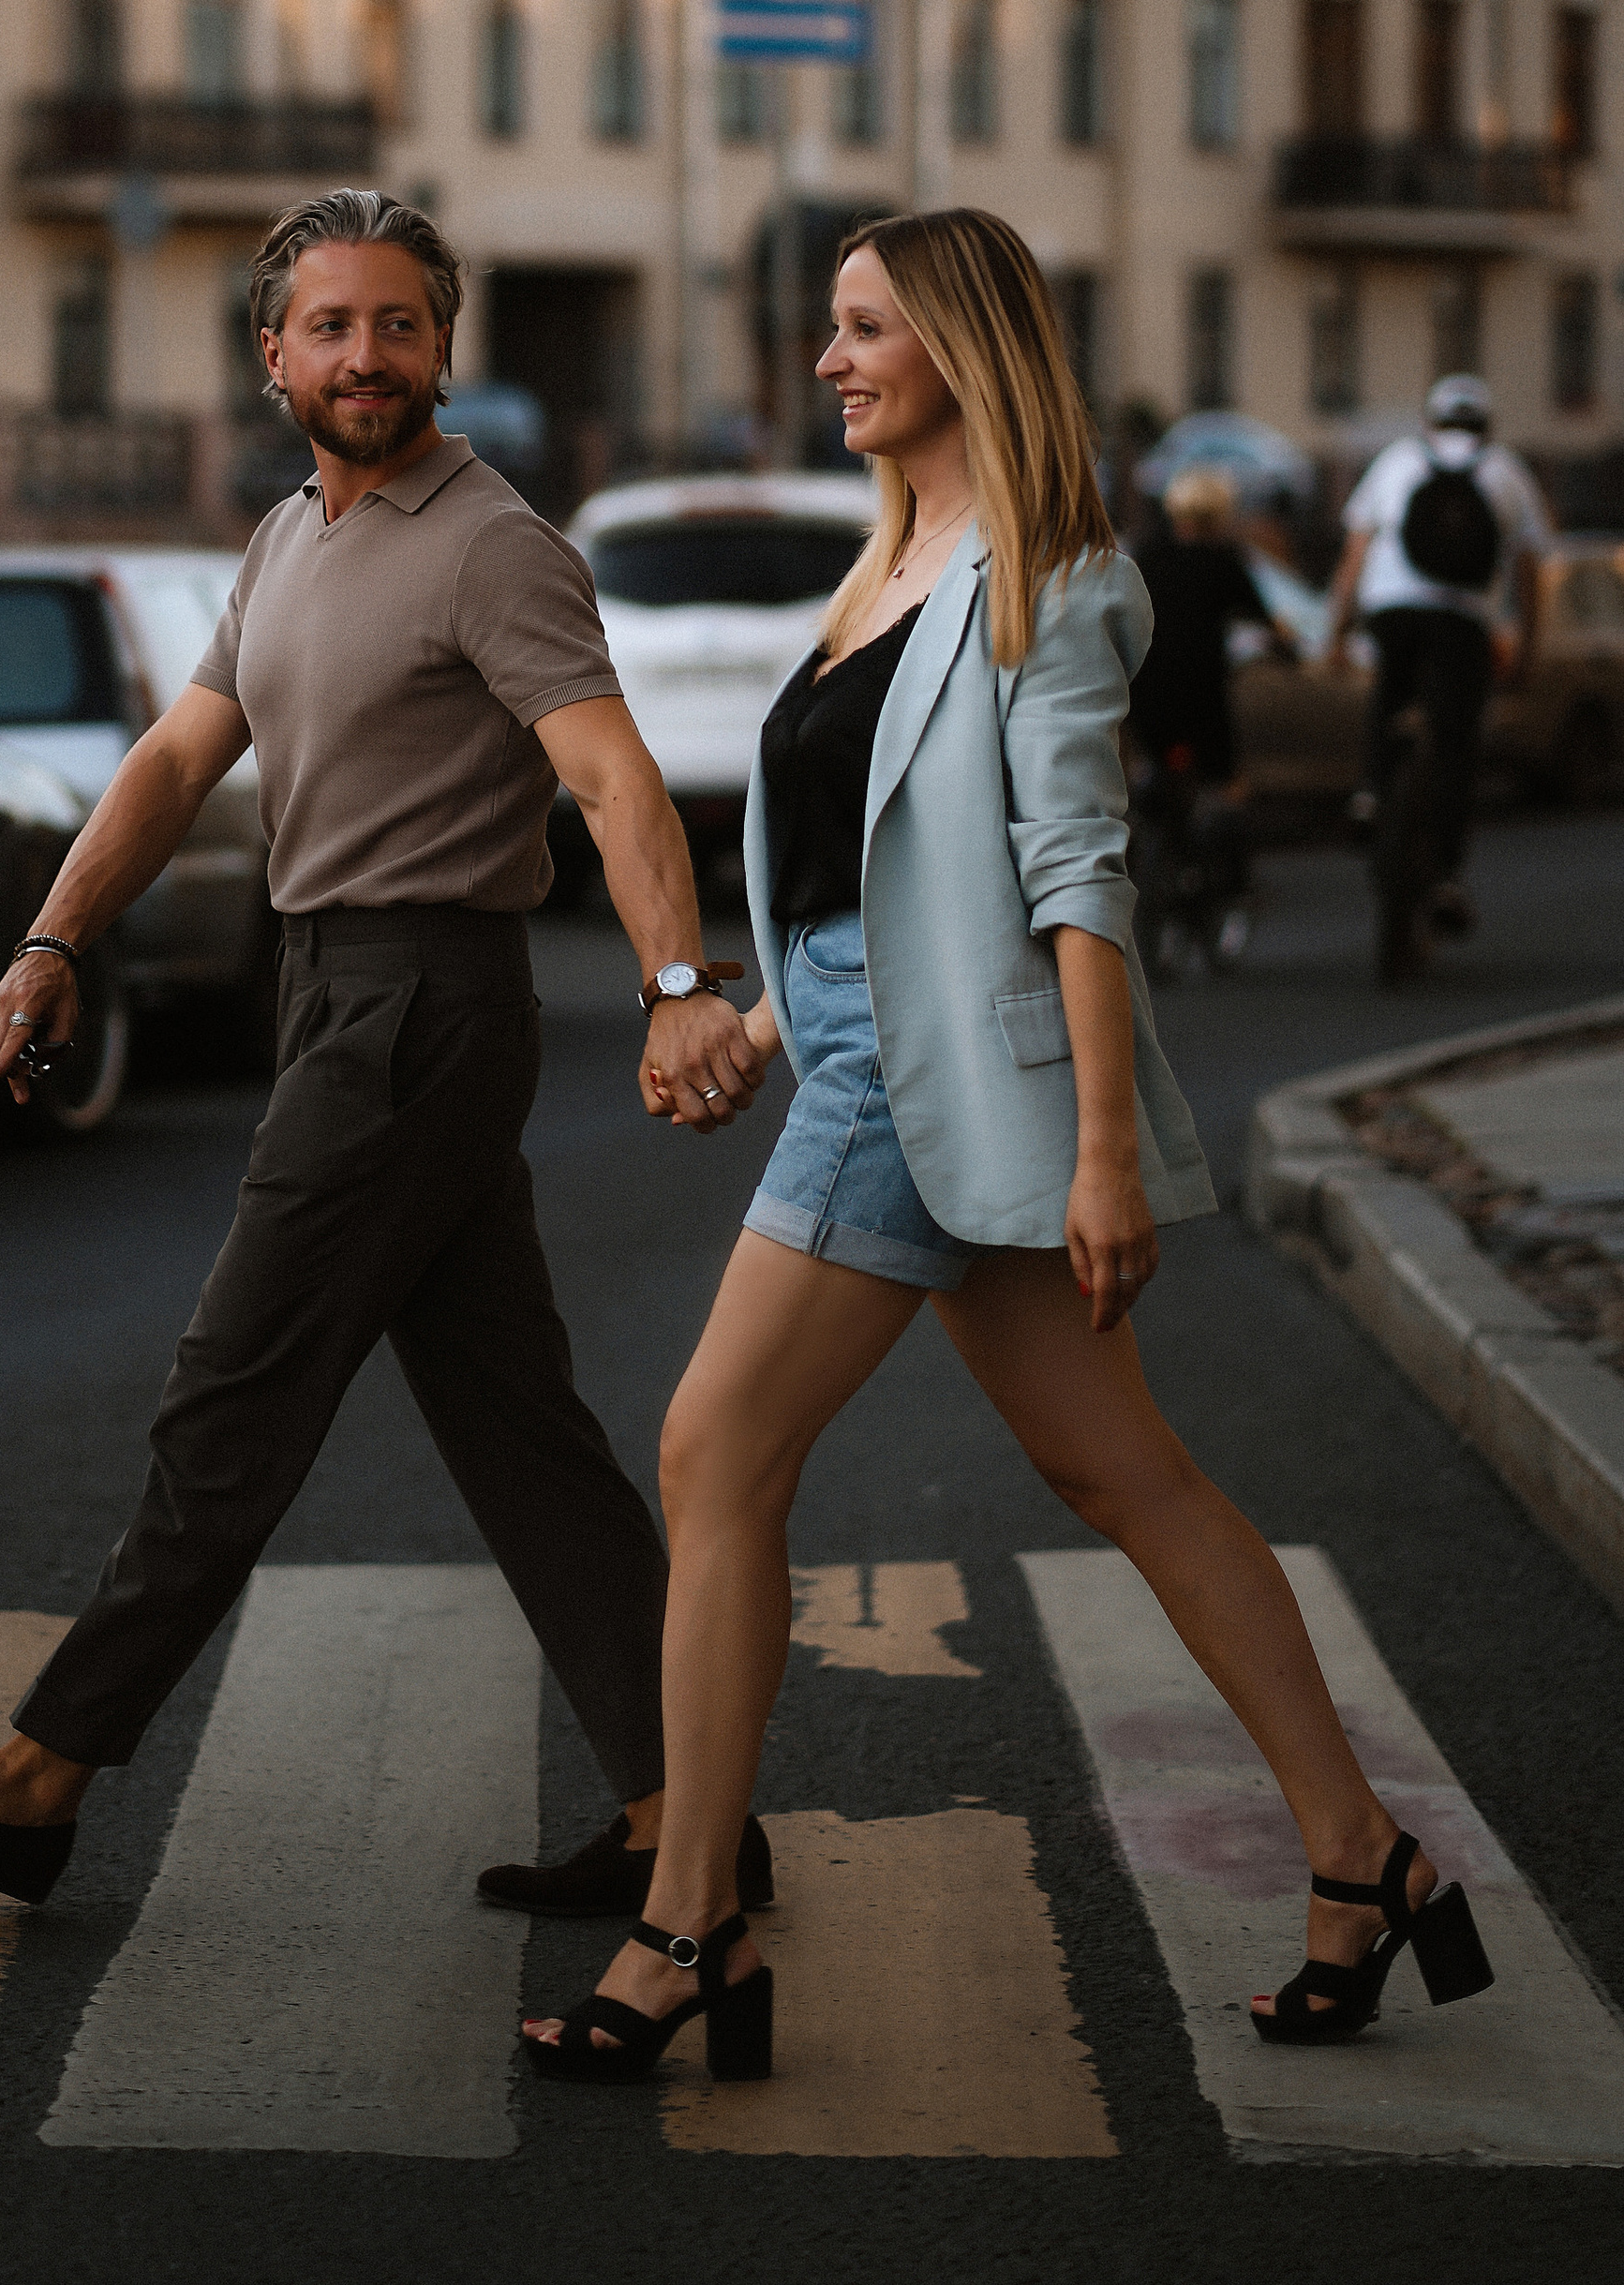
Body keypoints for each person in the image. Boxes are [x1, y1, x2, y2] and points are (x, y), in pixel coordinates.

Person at [520, 209, 1493, 2084]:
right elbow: (868, 890)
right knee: (1120, 1473)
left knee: (713, 1447)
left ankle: (690, 1919)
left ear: (964, 343)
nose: (830, 357)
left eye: (864, 324)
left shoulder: (1055, 578)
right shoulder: (882, 565)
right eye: (828, 325)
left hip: (927, 1084)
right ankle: (1357, 1852)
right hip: (865, 1057)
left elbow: (1071, 878)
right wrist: (749, 1014)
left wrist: (1105, 1145)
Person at [0, 188, 774, 1928]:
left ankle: (39, 1779)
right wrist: (52, 939)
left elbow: (615, 774)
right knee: (521, 1430)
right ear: (274, 356)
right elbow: (178, 762)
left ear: (443, 346)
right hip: (331, 992)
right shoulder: (282, 544)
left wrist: (680, 982)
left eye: (399, 322)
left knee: (231, 1391)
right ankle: (681, 1815)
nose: (367, 355)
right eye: (331, 325)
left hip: (424, 997)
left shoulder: (493, 542)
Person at [1324, 374, 1550, 946]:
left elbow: (1356, 551)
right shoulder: (1508, 472)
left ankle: (1371, 793)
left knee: (1389, 695)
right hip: (1463, 623)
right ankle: (1446, 875)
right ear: (1486, 423)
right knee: (1455, 745)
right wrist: (1526, 650)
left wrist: (1334, 632)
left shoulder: (1397, 460)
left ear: (1430, 419)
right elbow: (1529, 572)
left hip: (1392, 611)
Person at [1127, 465, 1275, 952]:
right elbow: (1264, 621)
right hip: (1203, 701)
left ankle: (1157, 852)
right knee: (1229, 786)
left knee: (1153, 776)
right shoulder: (1225, 561)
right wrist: (1287, 648)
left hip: (1147, 700)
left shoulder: (1148, 556)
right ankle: (1234, 884)